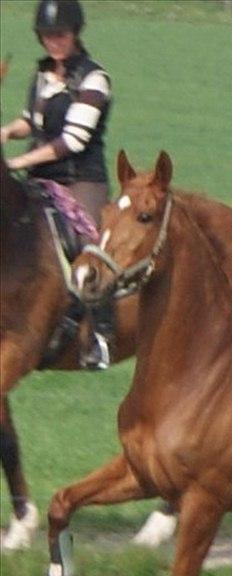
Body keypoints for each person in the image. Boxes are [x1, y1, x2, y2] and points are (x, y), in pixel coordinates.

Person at [1, 0, 114, 368]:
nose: (54, 42)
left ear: (75, 33)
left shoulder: (94, 78)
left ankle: (99, 336)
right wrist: (6, 132)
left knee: (90, 249)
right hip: (43, 180)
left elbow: (72, 141)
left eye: (61, 34)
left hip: (81, 181)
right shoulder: (43, 75)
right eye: (48, 36)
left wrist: (17, 161)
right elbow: (30, 122)